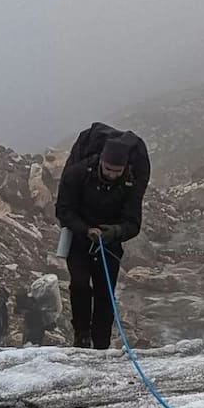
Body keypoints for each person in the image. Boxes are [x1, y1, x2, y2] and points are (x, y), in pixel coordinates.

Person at [55, 132, 149, 349]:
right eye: (108, 170)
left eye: (118, 171)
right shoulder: (77, 174)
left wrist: (114, 232)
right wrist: (85, 229)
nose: (113, 175)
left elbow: (133, 224)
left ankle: (101, 344)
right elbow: (64, 210)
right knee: (79, 285)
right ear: (101, 162)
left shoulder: (130, 183)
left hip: (109, 245)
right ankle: (81, 336)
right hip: (79, 239)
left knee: (105, 293)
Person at [15, 274, 63, 346]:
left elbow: (34, 328)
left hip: (34, 324)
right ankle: (31, 343)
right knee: (34, 329)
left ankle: (30, 343)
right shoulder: (37, 311)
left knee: (32, 329)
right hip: (36, 324)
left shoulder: (34, 311)